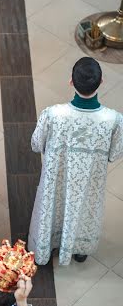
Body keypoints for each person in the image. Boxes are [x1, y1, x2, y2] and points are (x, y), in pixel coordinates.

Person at [28, 57, 123, 265]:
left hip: (56, 179)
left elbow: (35, 144)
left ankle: (46, 246)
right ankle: (79, 250)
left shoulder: (53, 115)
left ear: (71, 81)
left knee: (52, 206)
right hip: (90, 182)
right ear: (101, 82)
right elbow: (115, 154)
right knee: (84, 209)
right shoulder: (114, 120)